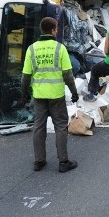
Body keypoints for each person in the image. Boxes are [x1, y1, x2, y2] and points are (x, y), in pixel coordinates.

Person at [21, 17, 79, 173]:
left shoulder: (31, 49)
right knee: (60, 127)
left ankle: (39, 161)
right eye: (56, 28)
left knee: (38, 128)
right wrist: (74, 92)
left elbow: (26, 75)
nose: (57, 30)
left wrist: (24, 93)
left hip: (39, 95)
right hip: (56, 95)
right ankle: (63, 162)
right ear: (53, 30)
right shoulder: (60, 49)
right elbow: (67, 74)